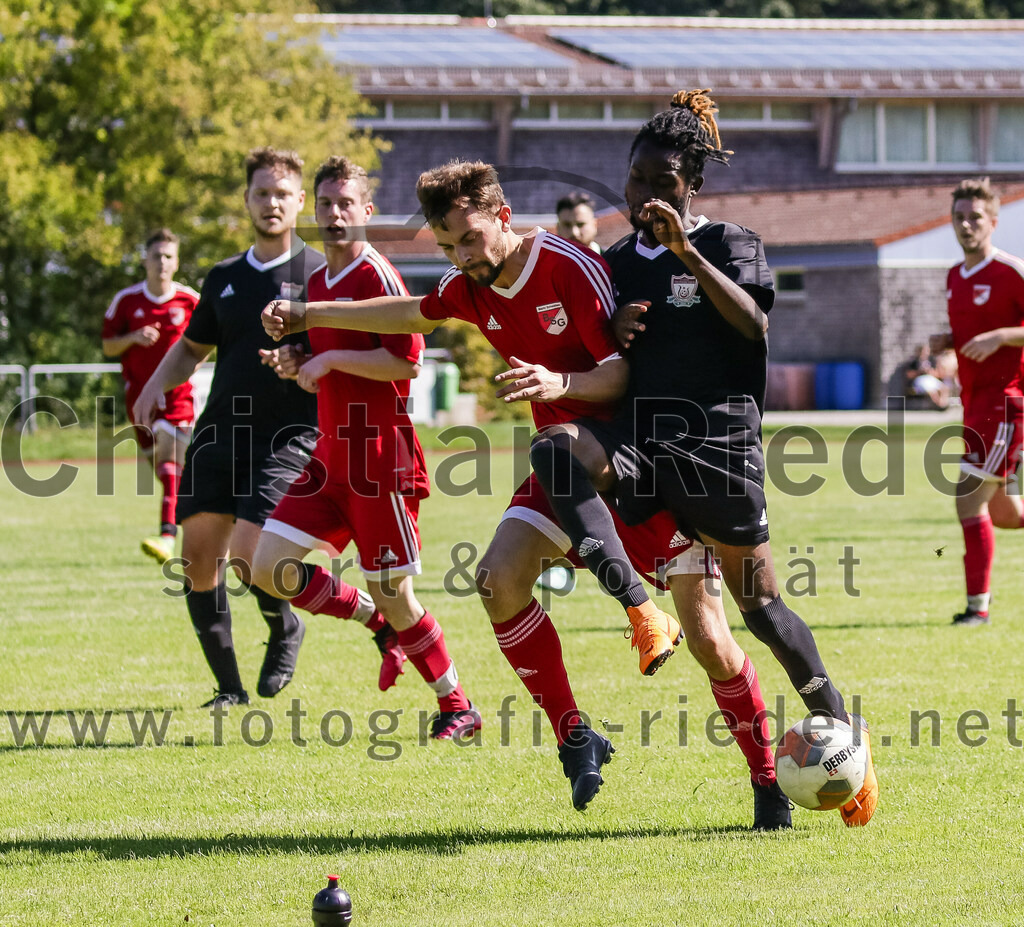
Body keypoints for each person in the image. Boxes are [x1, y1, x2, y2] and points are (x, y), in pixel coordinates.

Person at [263, 161, 790, 830]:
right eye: (448, 245)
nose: (460, 256)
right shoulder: (471, 285)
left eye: (469, 238)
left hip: (637, 466)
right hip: (561, 469)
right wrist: (309, 312)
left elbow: (623, 372)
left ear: (503, 216)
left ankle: (768, 780)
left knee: (712, 640)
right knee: (497, 579)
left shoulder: (565, 266)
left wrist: (556, 382)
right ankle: (576, 734)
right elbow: (410, 313)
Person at [526, 89, 878, 827]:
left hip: (718, 453)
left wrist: (687, 251)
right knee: (556, 450)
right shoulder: (615, 264)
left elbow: (753, 328)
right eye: (637, 180)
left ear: (693, 186)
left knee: (759, 614)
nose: (646, 195)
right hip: (641, 452)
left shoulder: (731, 244)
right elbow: (593, 348)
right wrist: (611, 326)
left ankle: (847, 745)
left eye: (664, 183)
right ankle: (640, 609)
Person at [249, 156, 480, 739]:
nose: (333, 215)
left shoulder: (377, 275)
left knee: (399, 594)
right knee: (266, 566)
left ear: (366, 212)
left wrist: (328, 357)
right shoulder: (319, 282)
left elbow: (405, 359)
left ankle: (457, 705)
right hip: (331, 458)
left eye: (344, 204)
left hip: (379, 459)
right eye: (325, 204)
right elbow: (333, 360)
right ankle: (374, 620)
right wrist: (298, 360)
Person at [134, 147, 325, 708]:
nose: (271, 203)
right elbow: (190, 348)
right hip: (220, 433)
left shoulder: (320, 274)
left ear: (299, 203)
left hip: (289, 436)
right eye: (261, 193)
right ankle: (229, 689)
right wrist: (154, 387)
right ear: (246, 199)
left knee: (248, 556)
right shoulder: (222, 277)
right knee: (198, 560)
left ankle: (284, 625)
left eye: (282, 194)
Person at [931, 177, 1024, 627]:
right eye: (959, 218)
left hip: (1006, 403)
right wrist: (948, 340)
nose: (966, 225)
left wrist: (1003, 336)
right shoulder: (954, 276)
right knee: (1006, 513)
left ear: (993, 222)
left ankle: (977, 608)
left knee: (967, 501)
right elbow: (969, 336)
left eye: (975, 218)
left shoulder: (1011, 272)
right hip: (974, 405)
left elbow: (1001, 334)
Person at [102, 229, 199, 564]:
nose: (162, 262)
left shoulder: (190, 300)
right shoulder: (127, 300)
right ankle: (205, 515)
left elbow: (213, 339)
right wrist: (131, 337)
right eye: (156, 255)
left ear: (177, 262)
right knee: (166, 473)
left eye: (168, 256)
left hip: (178, 399)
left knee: (170, 464)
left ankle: (167, 538)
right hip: (138, 402)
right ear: (145, 260)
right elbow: (107, 345)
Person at [905, 344, 951, 409]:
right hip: (920, 380)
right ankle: (939, 405)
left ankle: (943, 403)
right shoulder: (914, 361)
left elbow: (938, 373)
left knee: (944, 388)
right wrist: (920, 372)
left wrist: (930, 372)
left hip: (931, 378)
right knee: (932, 390)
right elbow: (909, 375)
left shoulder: (931, 360)